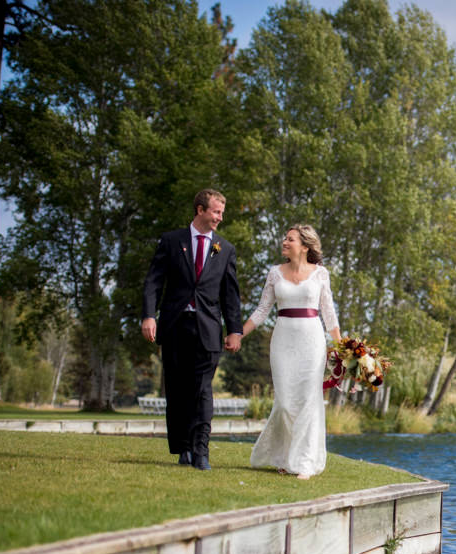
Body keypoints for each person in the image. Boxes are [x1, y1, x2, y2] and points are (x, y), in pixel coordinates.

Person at [141, 189, 243, 471]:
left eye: (221, 213)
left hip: (208, 329)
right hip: (174, 325)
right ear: (200, 210)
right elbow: (153, 282)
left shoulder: (225, 249)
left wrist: (235, 330)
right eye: (216, 212)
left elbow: (230, 296)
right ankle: (183, 448)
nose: (220, 218)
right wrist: (149, 316)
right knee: (177, 390)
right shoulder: (172, 241)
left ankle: (201, 452)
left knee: (202, 391)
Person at [242, 224, 341, 479]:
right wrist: (238, 334)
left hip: (312, 341)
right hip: (283, 341)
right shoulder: (275, 273)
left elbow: (328, 312)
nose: (284, 242)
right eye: (285, 239)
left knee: (309, 402)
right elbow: (262, 310)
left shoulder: (320, 274)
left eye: (290, 239)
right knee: (285, 404)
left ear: (305, 246)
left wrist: (341, 346)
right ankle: (284, 457)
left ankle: (305, 462)